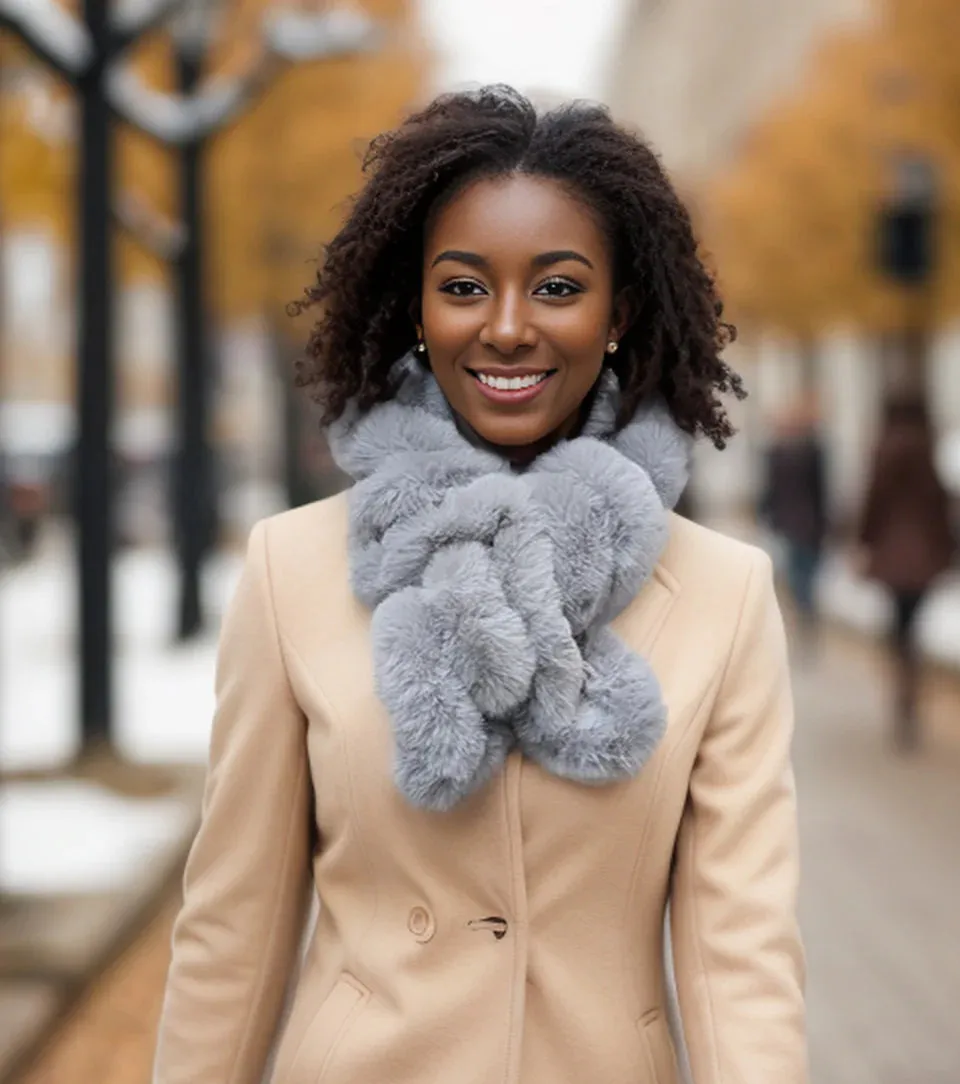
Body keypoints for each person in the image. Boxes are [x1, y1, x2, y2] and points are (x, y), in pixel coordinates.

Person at [152, 87, 807, 1084]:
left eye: (556, 287)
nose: (506, 328)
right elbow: (233, 930)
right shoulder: (290, 573)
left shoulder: (723, 593)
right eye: (462, 286)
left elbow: (740, 954)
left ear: (618, 311)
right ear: (415, 306)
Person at [857, 393, 954, 751]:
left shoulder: (883, 448)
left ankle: (903, 685)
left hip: (892, 553)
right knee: (911, 623)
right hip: (923, 553)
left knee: (898, 623)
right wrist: (946, 549)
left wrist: (865, 541)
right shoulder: (928, 449)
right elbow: (939, 504)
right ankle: (909, 683)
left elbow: (873, 501)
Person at [761, 399, 829, 652]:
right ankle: (806, 616)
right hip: (806, 524)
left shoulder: (780, 453)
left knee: (799, 575)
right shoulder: (811, 451)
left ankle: (804, 615)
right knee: (804, 575)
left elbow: (769, 491)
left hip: (793, 524)